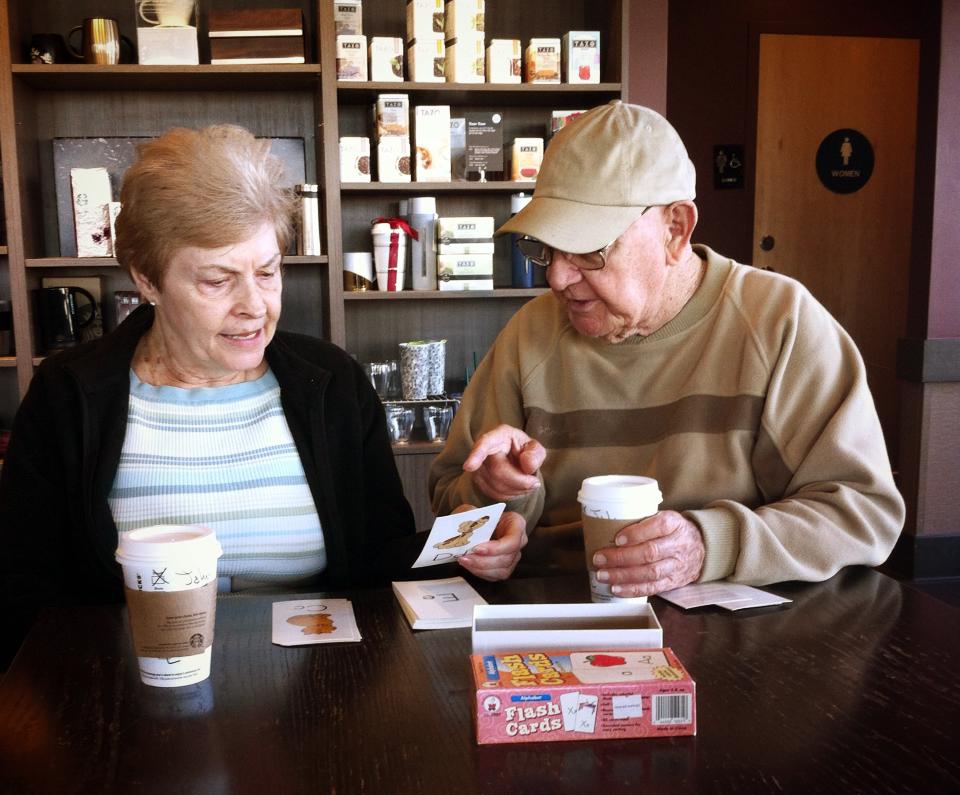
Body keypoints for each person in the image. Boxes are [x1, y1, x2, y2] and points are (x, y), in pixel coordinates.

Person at [430, 100, 905, 596]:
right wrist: (493, 500)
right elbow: (449, 496)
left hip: (734, 634)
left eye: (590, 249)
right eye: (545, 246)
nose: (556, 277)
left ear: (675, 229)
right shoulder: (530, 336)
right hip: (558, 611)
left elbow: (863, 512)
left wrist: (709, 544)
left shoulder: (778, 323)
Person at [0, 125, 426, 668]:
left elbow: (380, 560)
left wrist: (465, 546)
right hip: (124, 702)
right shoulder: (70, 394)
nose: (255, 305)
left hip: (318, 708)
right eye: (217, 280)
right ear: (147, 281)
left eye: (268, 272)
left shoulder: (332, 383)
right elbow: (24, 591)